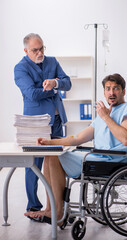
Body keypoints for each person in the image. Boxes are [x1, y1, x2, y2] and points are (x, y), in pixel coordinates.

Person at [24, 73, 127, 225]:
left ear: (123, 91)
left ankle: (57, 213)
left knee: (54, 157)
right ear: (104, 92)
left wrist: (106, 117)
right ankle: (51, 210)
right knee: (51, 154)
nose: (111, 93)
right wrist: (50, 141)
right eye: (108, 89)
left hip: (113, 163)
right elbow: (78, 138)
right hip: (98, 159)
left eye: (116, 89)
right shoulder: (103, 115)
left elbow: (126, 139)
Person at [14, 33, 71, 212]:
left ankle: (57, 207)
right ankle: (33, 206)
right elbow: (31, 93)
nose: (40, 53)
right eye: (35, 50)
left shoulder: (52, 61)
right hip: (35, 123)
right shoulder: (20, 68)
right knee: (33, 166)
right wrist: (54, 90)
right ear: (26, 50)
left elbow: (67, 83)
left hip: (56, 121)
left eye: (42, 48)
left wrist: (55, 82)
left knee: (57, 165)